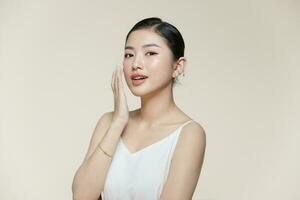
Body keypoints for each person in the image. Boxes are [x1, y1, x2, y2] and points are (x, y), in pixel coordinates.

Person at [72, 17, 206, 200]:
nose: (136, 64)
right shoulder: (108, 122)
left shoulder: (189, 133)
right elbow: (81, 196)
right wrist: (118, 122)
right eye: (129, 54)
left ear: (178, 66)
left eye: (150, 53)